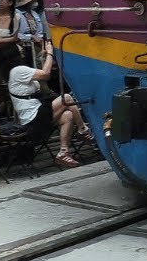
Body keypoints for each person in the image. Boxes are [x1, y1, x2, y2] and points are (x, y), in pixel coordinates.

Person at [8, 40, 88, 169]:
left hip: (39, 115)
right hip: (32, 119)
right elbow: (45, 74)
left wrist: (43, 57)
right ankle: (83, 129)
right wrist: (50, 53)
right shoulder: (17, 70)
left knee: (67, 115)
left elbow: (44, 82)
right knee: (66, 98)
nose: (23, 49)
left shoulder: (23, 71)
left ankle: (63, 152)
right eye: (20, 49)